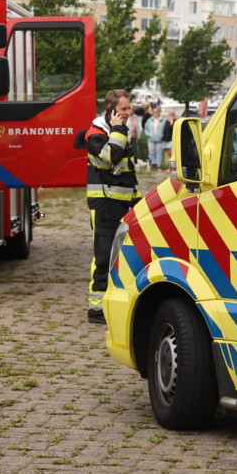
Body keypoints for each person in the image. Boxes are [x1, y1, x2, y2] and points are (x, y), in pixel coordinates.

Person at [75, 89, 140, 325]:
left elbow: (126, 172)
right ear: (110, 111)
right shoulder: (96, 135)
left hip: (122, 204)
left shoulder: (115, 132)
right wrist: (119, 130)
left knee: (121, 256)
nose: (128, 112)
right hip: (104, 204)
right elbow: (111, 157)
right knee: (103, 257)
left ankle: (114, 304)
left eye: (129, 108)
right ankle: (96, 310)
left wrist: (137, 201)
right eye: (123, 109)